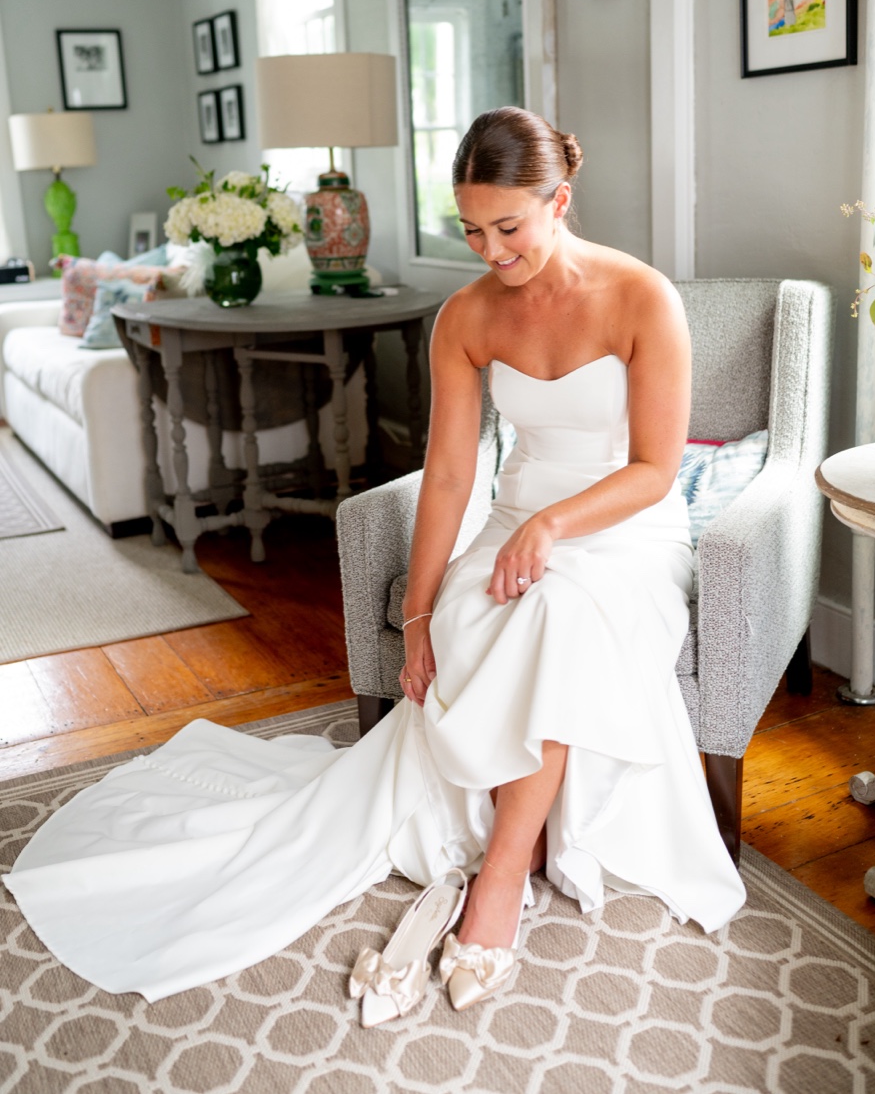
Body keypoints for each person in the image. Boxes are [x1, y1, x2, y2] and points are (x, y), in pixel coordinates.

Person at [3, 106, 744, 1014]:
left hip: (622, 529)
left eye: (508, 226)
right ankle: (529, 830)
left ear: (560, 199)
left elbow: (654, 470)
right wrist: (423, 611)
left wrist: (552, 529)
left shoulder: (643, 299)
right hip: (513, 519)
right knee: (498, 615)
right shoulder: (467, 315)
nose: (490, 250)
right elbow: (448, 477)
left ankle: (504, 872)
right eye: (472, 230)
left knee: (560, 611)